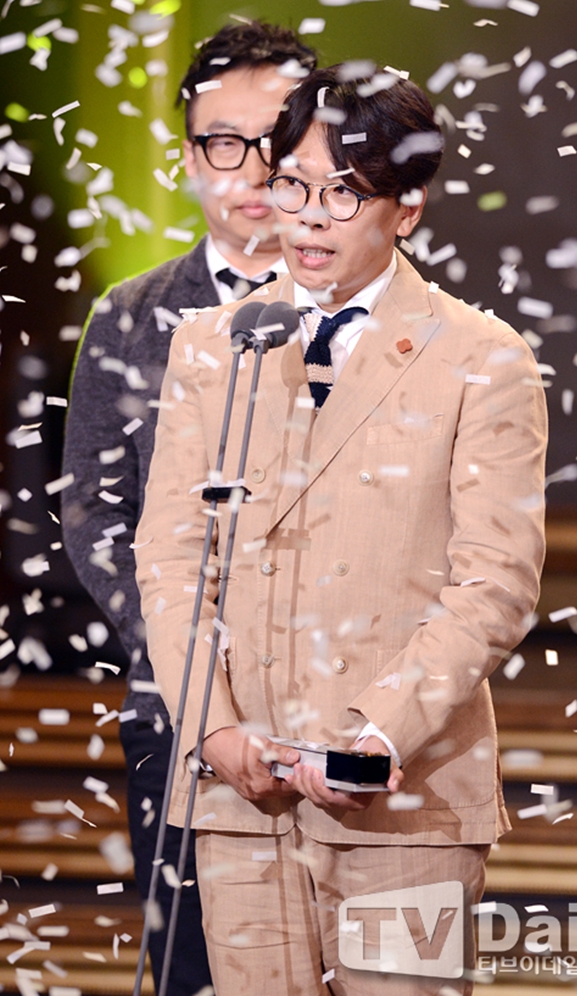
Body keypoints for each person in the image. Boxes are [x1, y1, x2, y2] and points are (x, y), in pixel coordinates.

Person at [134, 65, 547, 996]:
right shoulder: (213, 346)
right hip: (241, 796)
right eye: (293, 185)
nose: (310, 219)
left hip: (405, 804)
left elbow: (495, 583)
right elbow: (168, 557)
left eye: (345, 193)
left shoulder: (482, 360)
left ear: (407, 206)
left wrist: (376, 737)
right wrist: (212, 728)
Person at [61, 21, 317, 996]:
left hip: (340, 707)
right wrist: (191, 656)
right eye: (224, 141)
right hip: (175, 709)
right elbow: (93, 516)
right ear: (186, 157)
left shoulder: (372, 314)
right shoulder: (130, 315)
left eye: (277, 139)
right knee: (191, 971)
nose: (251, 168)